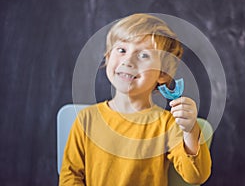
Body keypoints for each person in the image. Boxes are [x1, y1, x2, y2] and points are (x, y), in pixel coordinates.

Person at [59, 13, 211, 186]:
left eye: (144, 55)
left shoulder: (168, 125)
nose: (128, 61)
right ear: (108, 57)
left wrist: (190, 130)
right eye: (122, 50)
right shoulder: (86, 119)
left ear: (162, 73)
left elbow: (196, 176)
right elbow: (70, 177)